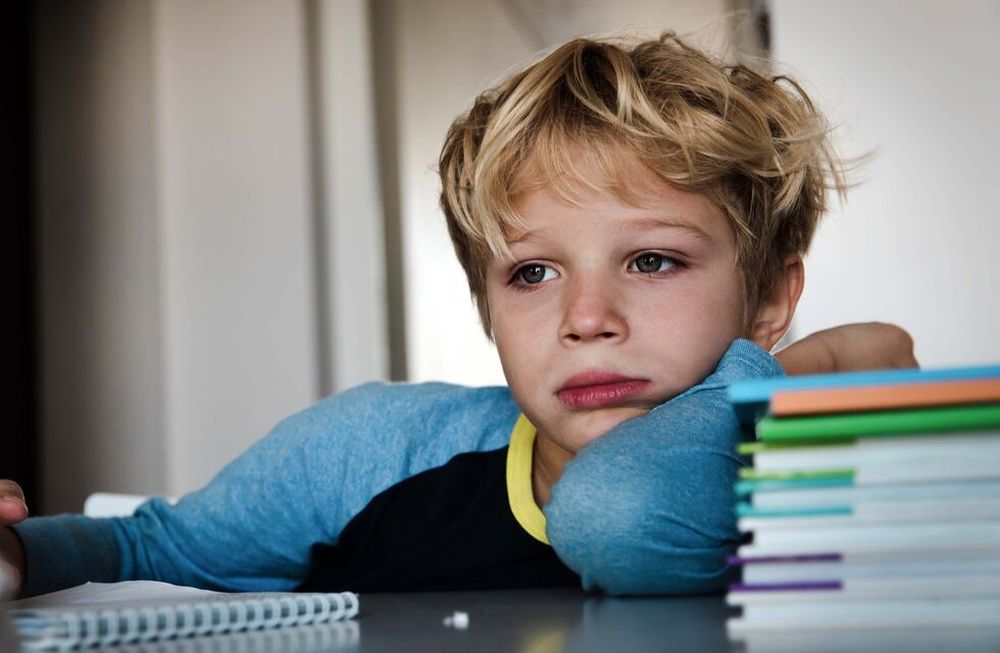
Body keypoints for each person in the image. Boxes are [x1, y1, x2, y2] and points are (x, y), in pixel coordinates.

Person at [0, 32, 916, 600]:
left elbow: (624, 516)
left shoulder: (823, 480)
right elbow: (148, 543)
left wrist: (772, 381)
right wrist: (14, 556)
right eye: (530, 273)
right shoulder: (368, 452)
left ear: (768, 300)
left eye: (651, 260)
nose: (585, 317)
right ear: (485, 306)